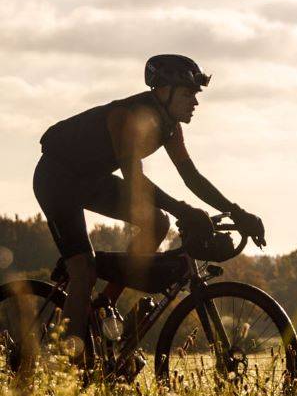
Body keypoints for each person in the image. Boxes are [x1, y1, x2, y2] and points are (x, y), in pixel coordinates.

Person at [32, 55, 266, 362]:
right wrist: (185, 210)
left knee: (157, 222)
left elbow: (192, 177)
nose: (194, 102)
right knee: (83, 270)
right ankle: (75, 366)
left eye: (195, 95)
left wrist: (238, 212)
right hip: (57, 178)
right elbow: (134, 179)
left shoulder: (169, 128)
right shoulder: (127, 117)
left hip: (91, 180)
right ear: (162, 91)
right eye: (187, 93)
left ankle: (104, 304)